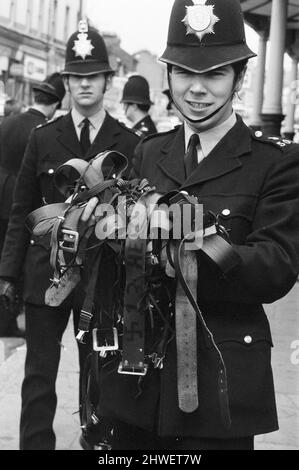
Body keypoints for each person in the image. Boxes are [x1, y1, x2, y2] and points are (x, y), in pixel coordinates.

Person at [82, 0, 299, 450]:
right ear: (169, 76)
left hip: (220, 387)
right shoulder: (147, 152)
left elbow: (276, 266)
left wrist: (181, 253)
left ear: (240, 78)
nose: (197, 89)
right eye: (184, 72)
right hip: (136, 381)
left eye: (215, 74)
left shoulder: (275, 163)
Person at [0, 20, 139, 450]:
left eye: (91, 76)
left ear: (106, 80)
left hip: (101, 283)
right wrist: (8, 275)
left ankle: (95, 443)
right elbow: (22, 209)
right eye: (75, 77)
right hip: (46, 277)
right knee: (39, 374)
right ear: (65, 82)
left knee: (99, 372)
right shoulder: (43, 137)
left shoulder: (129, 142)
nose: (83, 85)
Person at [0, 72, 65, 337]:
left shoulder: (7, 122)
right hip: (21, 205)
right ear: (56, 104)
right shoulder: (41, 132)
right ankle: (9, 317)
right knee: (17, 261)